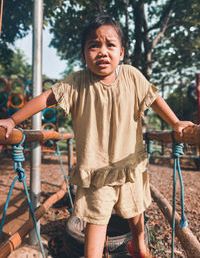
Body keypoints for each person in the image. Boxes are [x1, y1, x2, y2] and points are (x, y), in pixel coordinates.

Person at [0, 14, 194, 258]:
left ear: (121, 53)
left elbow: (154, 99)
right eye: (94, 45)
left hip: (130, 165)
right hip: (96, 171)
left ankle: (139, 245)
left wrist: (176, 122)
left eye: (110, 45)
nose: (102, 51)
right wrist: (12, 120)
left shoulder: (132, 76)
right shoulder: (77, 83)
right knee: (96, 221)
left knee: (135, 213)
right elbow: (45, 98)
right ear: (83, 55)